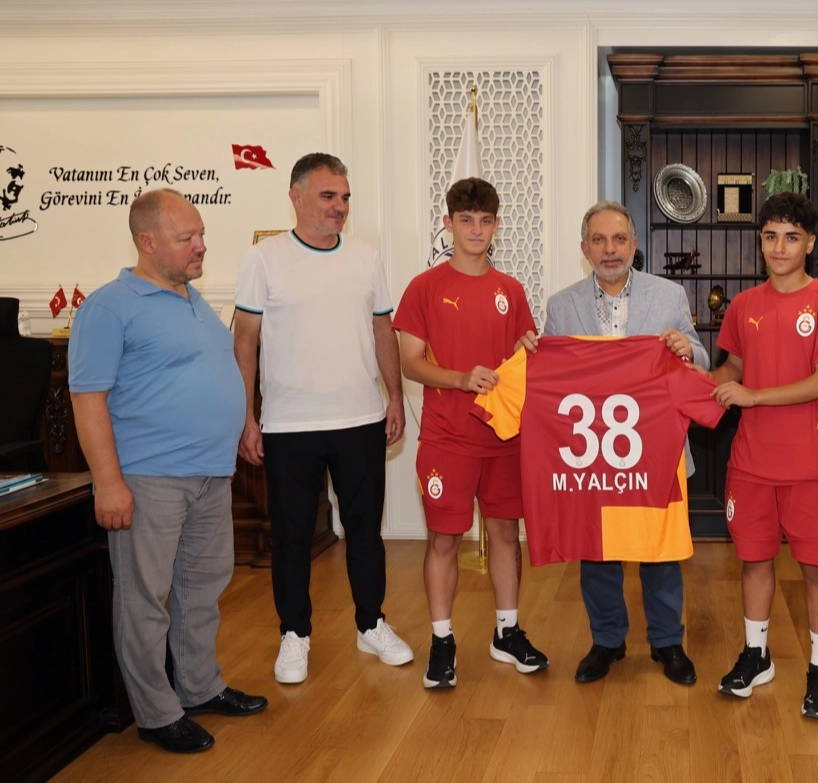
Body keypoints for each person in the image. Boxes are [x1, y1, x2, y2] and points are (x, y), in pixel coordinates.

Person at [69, 189, 267, 754]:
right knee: (144, 599)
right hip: (149, 477)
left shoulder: (191, 299)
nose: (201, 246)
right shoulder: (109, 307)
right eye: (187, 238)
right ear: (147, 241)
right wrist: (109, 483)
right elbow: (87, 398)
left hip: (208, 475)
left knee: (201, 591)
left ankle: (198, 686)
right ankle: (156, 713)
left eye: (201, 235)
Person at [233, 153, 411, 685]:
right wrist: (246, 418)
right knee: (291, 537)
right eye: (328, 196)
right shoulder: (263, 259)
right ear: (296, 196)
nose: (339, 206)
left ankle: (371, 623)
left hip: (360, 420)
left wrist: (395, 398)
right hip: (289, 425)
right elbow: (245, 341)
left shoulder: (365, 257)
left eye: (345, 197)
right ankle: (295, 633)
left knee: (365, 532)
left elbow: (383, 331)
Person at [702, 191, 818, 720]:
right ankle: (756, 655)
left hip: (810, 465)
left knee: (817, 569)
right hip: (750, 463)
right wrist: (690, 376)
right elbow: (732, 372)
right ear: (760, 241)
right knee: (754, 561)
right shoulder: (744, 306)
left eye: (792, 237)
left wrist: (754, 397)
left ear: (810, 243)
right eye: (770, 236)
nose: (780, 247)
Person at [541, 200, 709, 686]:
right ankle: (607, 640)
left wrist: (688, 350)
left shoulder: (669, 294)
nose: (610, 249)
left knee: (660, 552)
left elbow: (701, 357)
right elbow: (549, 375)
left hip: (655, 453)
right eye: (599, 240)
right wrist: (529, 353)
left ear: (634, 245)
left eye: (619, 239)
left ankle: (667, 642)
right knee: (597, 552)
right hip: (592, 456)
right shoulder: (561, 306)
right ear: (584, 248)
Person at [394, 177, 547, 690]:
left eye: (485, 221)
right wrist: (461, 379)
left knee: (505, 533)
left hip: (504, 437)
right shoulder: (424, 287)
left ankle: (507, 632)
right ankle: (442, 640)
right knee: (444, 540)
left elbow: (524, 355)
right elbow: (409, 363)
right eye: (466, 220)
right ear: (449, 224)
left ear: (496, 225)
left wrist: (529, 348)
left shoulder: (511, 290)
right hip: (447, 438)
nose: (476, 230)